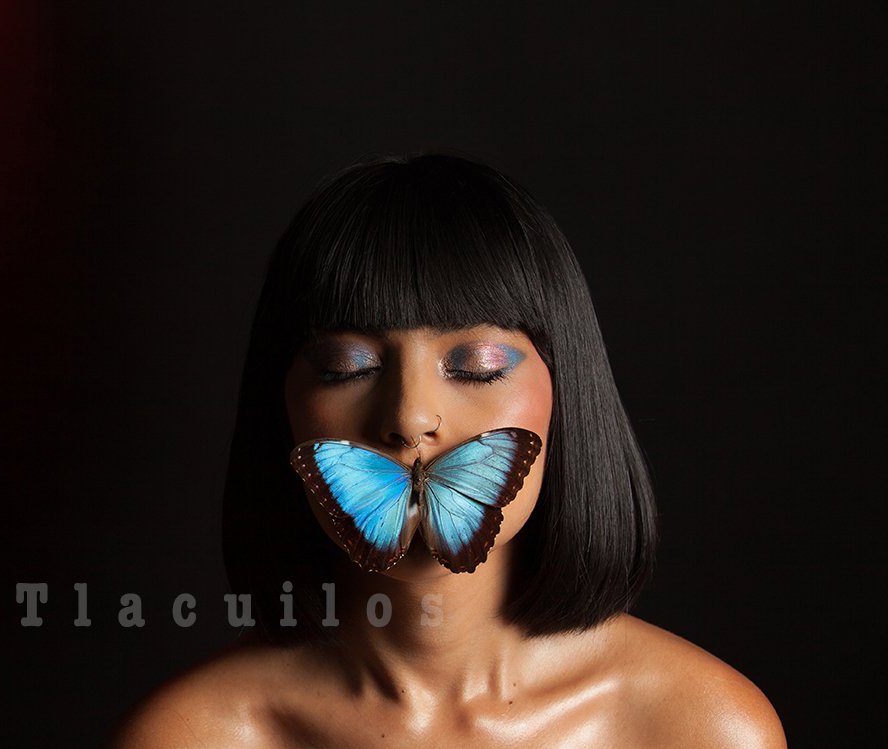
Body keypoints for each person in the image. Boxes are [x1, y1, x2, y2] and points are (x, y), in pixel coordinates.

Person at [111, 153, 785, 747]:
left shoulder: (704, 729)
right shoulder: (188, 737)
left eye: (478, 366)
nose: (410, 418)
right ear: (282, 407)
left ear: (567, 390)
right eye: (348, 366)